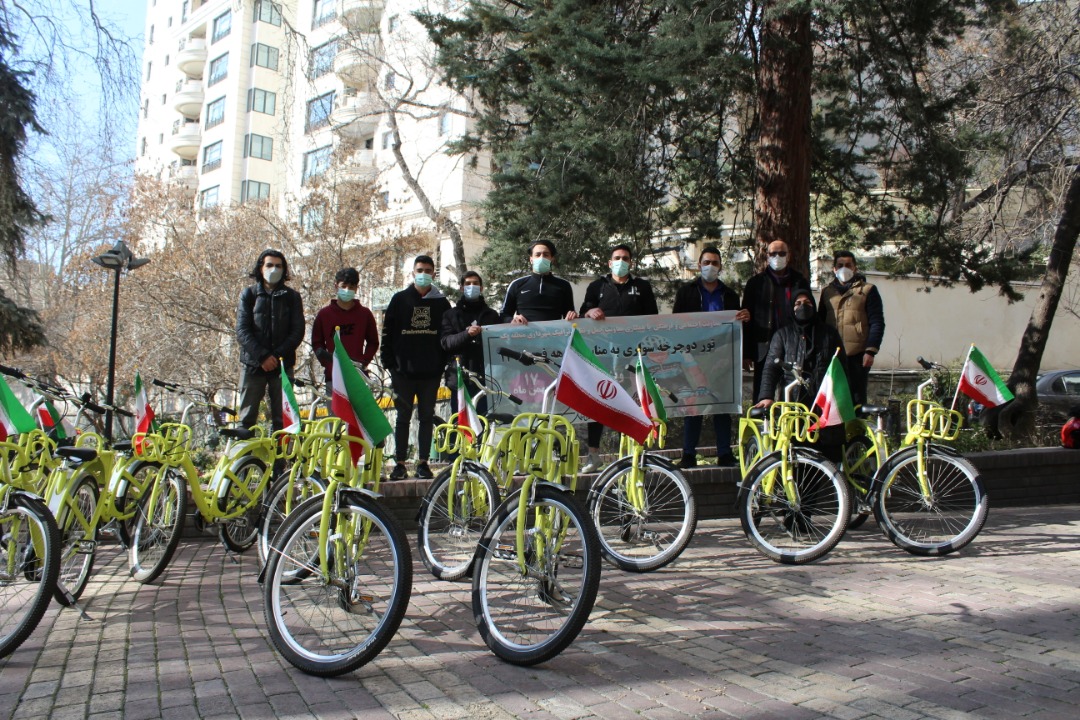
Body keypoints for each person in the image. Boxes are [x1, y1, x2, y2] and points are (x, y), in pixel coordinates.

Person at [578, 244, 659, 472]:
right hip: (602, 355)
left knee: (637, 402)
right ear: (609, 262)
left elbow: (652, 318)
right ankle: (593, 455)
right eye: (617, 258)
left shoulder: (642, 286)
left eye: (625, 258)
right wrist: (590, 312)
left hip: (633, 356)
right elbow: (585, 310)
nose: (621, 261)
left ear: (631, 263)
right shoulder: (597, 286)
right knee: (599, 400)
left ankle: (640, 452)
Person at [672, 247, 750, 469]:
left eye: (715, 263)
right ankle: (688, 454)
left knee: (722, 405)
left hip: (722, 356)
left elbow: (737, 325)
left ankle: (724, 453)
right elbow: (677, 323)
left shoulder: (729, 294)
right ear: (699, 265)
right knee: (695, 404)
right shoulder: (686, 292)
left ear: (721, 267)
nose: (711, 266)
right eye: (707, 262)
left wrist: (745, 317)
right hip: (693, 356)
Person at [381, 255, 452, 481]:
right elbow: (387, 334)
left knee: (426, 417)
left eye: (428, 270)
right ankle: (399, 463)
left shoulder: (441, 302)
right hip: (402, 372)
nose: (424, 273)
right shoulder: (399, 299)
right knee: (402, 418)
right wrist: (390, 364)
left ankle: (423, 463)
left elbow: (445, 336)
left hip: (430, 373)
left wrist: (441, 366)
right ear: (413, 272)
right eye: (420, 269)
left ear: (434, 273)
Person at [754, 289, 846, 461]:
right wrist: (766, 395)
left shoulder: (829, 334)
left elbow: (841, 368)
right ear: (791, 308)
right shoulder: (782, 335)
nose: (803, 306)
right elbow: (771, 368)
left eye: (808, 303)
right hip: (793, 403)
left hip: (823, 404)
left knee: (827, 454)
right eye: (798, 303)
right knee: (794, 453)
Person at [235, 249, 304, 432]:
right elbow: (242, 331)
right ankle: (245, 459)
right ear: (260, 267)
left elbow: (297, 331)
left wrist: (277, 357)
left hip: (282, 366)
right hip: (253, 365)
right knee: (246, 420)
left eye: (278, 266)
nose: (274, 269)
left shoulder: (292, 297)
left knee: (282, 422)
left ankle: (281, 460)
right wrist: (263, 356)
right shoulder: (248, 295)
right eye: (270, 265)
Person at [741, 239, 811, 402]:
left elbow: (807, 314)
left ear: (789, 256)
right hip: (764, 350)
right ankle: (763, 427)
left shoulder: (799, 281)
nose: (777, 257)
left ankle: (790, 427)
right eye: (773, 253)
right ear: (767, 256)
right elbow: (746, 320)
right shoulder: (755, 283)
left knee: (793, 395)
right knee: (763, 395)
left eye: (781, 253)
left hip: (793, 347)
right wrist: (747, 353)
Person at [819, 250, 885, 406]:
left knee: (856, 400)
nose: (844, 268)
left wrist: (870, 350)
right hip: (832, 356)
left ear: (855, 268)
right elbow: (820, 322)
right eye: (840, 265)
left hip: (857, 355)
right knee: (833, 401)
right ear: (834, 269)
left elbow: (877, 322)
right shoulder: (826, 292)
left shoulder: (868, 290)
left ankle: (857, 430)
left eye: (848, 265)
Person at [440, 270, 501, 416]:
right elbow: (446, 342)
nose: (471, 286)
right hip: (460, 378)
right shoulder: (450, 315)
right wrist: (466, 334)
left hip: (485, 379)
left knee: (484, 422)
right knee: (460, 424)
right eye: (468, 284)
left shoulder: (491, 315)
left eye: (475, 283)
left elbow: (499, 343)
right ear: (461, 288)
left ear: (481, 288)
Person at [311, 267, 379, 385]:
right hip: (333, 377)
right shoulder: (324, 315)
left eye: (352, 287)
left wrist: (363, 362)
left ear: (357, 288)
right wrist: (328, 363)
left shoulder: (365, 314)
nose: (347, 290)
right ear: (336, 286)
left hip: (358, 375)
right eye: (344, 286)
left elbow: (373, 342)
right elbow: (317, 344)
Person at [500, 239, 578, 324]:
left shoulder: (563, 285)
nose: (541, 258)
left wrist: (572, 315)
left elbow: (570, 315)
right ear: (531, 259)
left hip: (554, 335)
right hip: (524, 335)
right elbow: (504, 315)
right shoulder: (516, 284)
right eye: (537, 255)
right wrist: (512, 320)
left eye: (546, 255)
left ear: (552, 259)